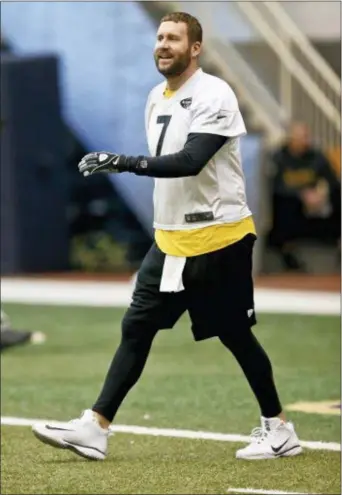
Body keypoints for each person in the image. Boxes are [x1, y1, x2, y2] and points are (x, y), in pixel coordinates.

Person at [32, 12, 302, 461]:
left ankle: (279, 429)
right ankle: (96, 427)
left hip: (218, 239)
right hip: (171, 240)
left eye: (174, 38)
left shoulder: (215, 93)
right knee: (135, 329)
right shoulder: (156, 96)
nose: (163, 45)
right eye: (159, 37)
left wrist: (123, 161)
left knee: (235, 335)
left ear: (195, 47)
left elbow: (190, 160)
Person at [268, 122, 341, 271]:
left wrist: (321, 193)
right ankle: (285, 250)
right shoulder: (279, 157)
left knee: (337, 196)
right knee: (283, 203)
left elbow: (333, 181)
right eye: (300, 137)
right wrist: (302, 195)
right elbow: (275, 186)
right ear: (291, 139)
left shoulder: (316, 156)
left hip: (316, 202)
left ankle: (335, 239)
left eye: (306, 137)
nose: (304, 141)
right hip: (289, 204)